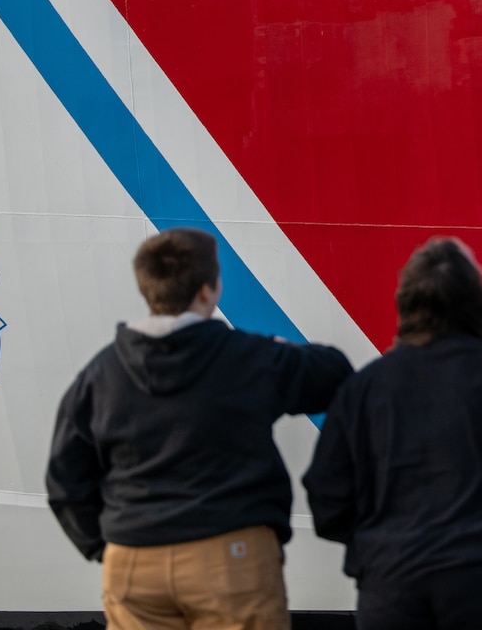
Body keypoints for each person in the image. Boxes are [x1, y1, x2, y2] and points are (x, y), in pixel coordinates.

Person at [45, 228, 353, 630]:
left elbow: (64, 480)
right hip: (230, 554)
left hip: (132, 561)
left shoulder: (100, 374)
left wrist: (108, 545)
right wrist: (281, 346)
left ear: (147, 289)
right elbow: (334, 374)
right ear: (208, 290)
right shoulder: (249, 358)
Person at [303, 238, 482, 630]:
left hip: (391, 587)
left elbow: (327, 497)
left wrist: (377, 547)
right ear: (477, 302)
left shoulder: (363, 389)